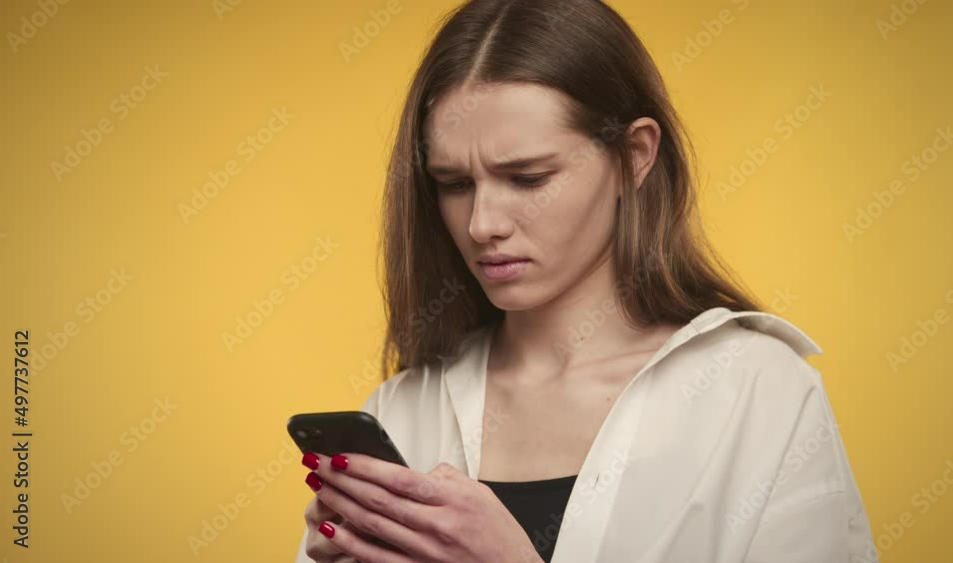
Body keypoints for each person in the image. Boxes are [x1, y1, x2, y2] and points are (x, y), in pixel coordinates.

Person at [294, 0, 878, 561]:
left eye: (527, 177)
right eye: (454, 183)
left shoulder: (759, 392)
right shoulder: (403, 409)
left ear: (635, 156)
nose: (482, 224)